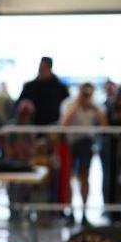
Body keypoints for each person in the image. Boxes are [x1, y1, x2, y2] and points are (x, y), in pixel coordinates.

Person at [61, 82, 107, 220]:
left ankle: (84, 212)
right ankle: (70, 211)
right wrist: (77, 105)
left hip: (86, 143)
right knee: (69, 176)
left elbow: (104, 125)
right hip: (71, 143)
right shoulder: (69, 103)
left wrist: (93, 107)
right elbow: (64, 123)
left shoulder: (96, 106)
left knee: (84, 176)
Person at [17, 57, 69, 127]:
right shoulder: (30, 87)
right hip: (33, 127)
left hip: (54, 126)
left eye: (44, 68)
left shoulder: (60, 88)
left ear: (50, 68)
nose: (41, 70)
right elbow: (19, 104)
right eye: (41, 68)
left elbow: (67, 106)